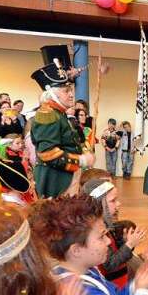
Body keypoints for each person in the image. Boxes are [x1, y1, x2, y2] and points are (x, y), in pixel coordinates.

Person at [29, 46, 92, 198]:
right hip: (55, 180)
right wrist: (81, 160)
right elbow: (47, 153)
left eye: (71, 90)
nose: (71, 95)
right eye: (66, 91)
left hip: (64, 176)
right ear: (51, 94)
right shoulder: (47, 114)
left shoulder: (59, 114)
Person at [81, 177, 148, 290]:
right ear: (98, 204)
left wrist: (124, 242)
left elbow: (114, 251)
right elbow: (110, 264)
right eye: (113, 201)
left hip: (120, 281)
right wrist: (129, 245)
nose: (118, 203)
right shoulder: (97, 231)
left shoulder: (104, 224)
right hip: (113, 285)